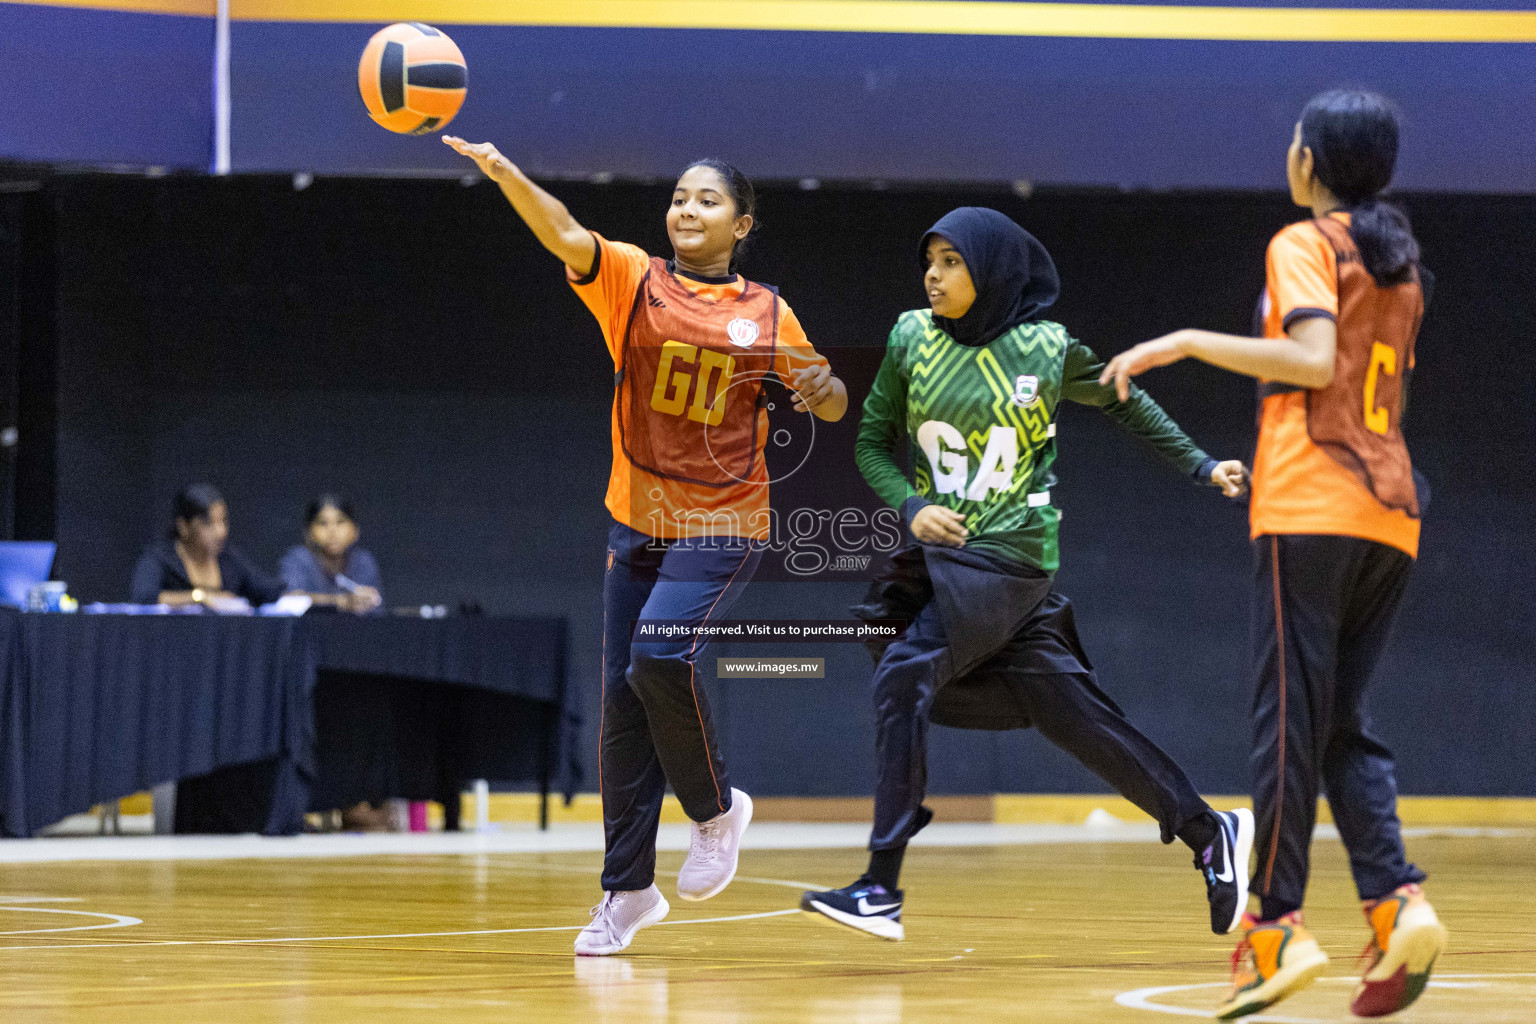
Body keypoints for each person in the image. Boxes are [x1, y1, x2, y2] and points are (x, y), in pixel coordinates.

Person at [800, 207, 1253, 945]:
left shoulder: (1047, 348)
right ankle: (1210, 832)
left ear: (994, 273)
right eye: (931, 261)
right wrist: (911, 505)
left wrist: (1203, 465)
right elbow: (873, 446)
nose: (933, 275)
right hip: (938, 558)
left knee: (905, 674)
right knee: (1069, 715)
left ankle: (881, 884)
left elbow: (1128, 405)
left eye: (952, 262)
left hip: (1009, 558)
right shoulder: (910, 336)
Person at [444, 135, 848, 956]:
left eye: (707, 200)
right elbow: (563, 233)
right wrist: (505, 171)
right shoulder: (633, 278)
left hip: (725, 516)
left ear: (742, 224)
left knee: (658, 654)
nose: (686, 209)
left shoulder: (768, 312)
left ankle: (716, 810)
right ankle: (627, 893)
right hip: (636, 515)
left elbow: (833, 404)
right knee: (623, 706)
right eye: (679, 197)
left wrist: (822, 388)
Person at [1102, 89, 1446, 1019]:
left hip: (1313, 504)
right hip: (1391, 512)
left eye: (1294, 142)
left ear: (1310, 162)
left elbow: (1312, 362)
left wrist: (1178, 343)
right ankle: (1395, 902)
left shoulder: (1305, 243)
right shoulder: (1401, 265)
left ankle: (1275, 927)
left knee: (1286, 723)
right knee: (1340, 725)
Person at [129, 483, 286, 610]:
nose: (221, 532)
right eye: (208, 524)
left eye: (223, 521)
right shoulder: (160, 558)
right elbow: (144, 597)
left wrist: (303, 597)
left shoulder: (228, 559)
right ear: (183, 527)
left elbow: (268, 591)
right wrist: (200, 597)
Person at [279, 495, 383, 614]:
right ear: (309, 532)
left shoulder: (363, 562)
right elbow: (288, 601)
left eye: (340, 522)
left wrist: (369, 601)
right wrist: (342, 603)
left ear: (355, 530)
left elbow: (376, 612)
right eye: (323, 523)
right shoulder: (298, 560)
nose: (332, 531)